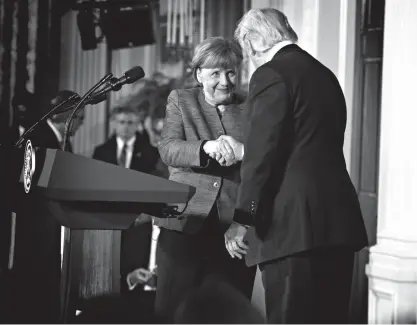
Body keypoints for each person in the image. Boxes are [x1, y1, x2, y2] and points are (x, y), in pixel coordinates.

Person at [222, 8, 369, 324]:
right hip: (338, 224)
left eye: (248, 50)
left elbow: (262, 156)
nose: (250, 59)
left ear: (256, 40)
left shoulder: (271, 74)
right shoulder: (325, 75)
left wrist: (242, 217)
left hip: (291, 228)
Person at [154, 36, 256, 323]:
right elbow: (168, 149)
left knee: (228, 313)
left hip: (233, 229)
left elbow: (263, 166)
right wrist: (206, 148)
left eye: (231, 72)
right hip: (184, 223)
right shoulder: (181, 100)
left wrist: (241, 154)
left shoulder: (252, 107)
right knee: (172, 311)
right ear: (199, 74)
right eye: (215, 73)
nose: (225, 81)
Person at [9, 90, 84, 323]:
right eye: (79, 117)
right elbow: (27, 185)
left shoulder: (59, 139)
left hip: (52, 227)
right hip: (37, 231)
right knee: (35, 294)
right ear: (67, 115)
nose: (80, 124)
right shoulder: (39, 138)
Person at [92, 105, 160, 294]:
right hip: (110, 220)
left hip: (141, 220)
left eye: (130, 123)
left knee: (136, 264)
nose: (126, 127)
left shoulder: (151, 153)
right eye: (121, 122)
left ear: (137, 124)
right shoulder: (101, 152)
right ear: (114, 123)